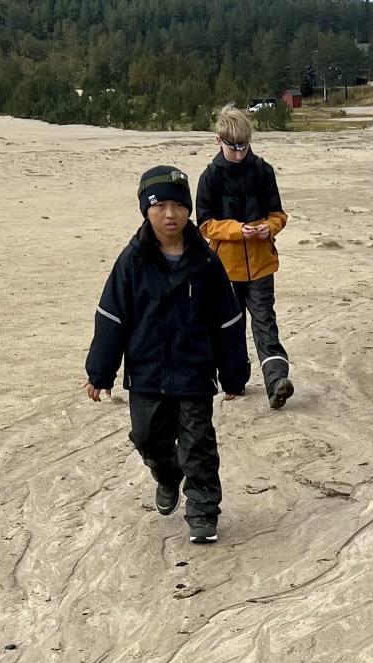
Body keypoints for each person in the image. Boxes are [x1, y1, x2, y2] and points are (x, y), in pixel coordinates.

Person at [84, 166, 249, 544]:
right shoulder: (132, 260)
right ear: (146, 209)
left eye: (178, 205)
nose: (170, 214)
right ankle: (168, 474)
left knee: (198, 445)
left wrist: (234, 374)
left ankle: (203, 513)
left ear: (189, 209)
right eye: (160, 206)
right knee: (147, 438)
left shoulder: (207, 262)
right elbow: (111, 317)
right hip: (147, 373)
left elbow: (227, 321)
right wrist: (100, 372)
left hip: (194, 372)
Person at [196, 105, 296, 410]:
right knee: (230, 327)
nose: (239, 153)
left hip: (262, 264)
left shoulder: (264, 171)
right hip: (225, 269)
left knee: (265, 323)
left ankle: (277, 382)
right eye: (233, 147)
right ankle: (233, 382)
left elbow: (279, 214)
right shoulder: (209, 177)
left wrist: (270, 228)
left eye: (244, 146)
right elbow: (204, 225)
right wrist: (237, 230)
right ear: (219, 140)